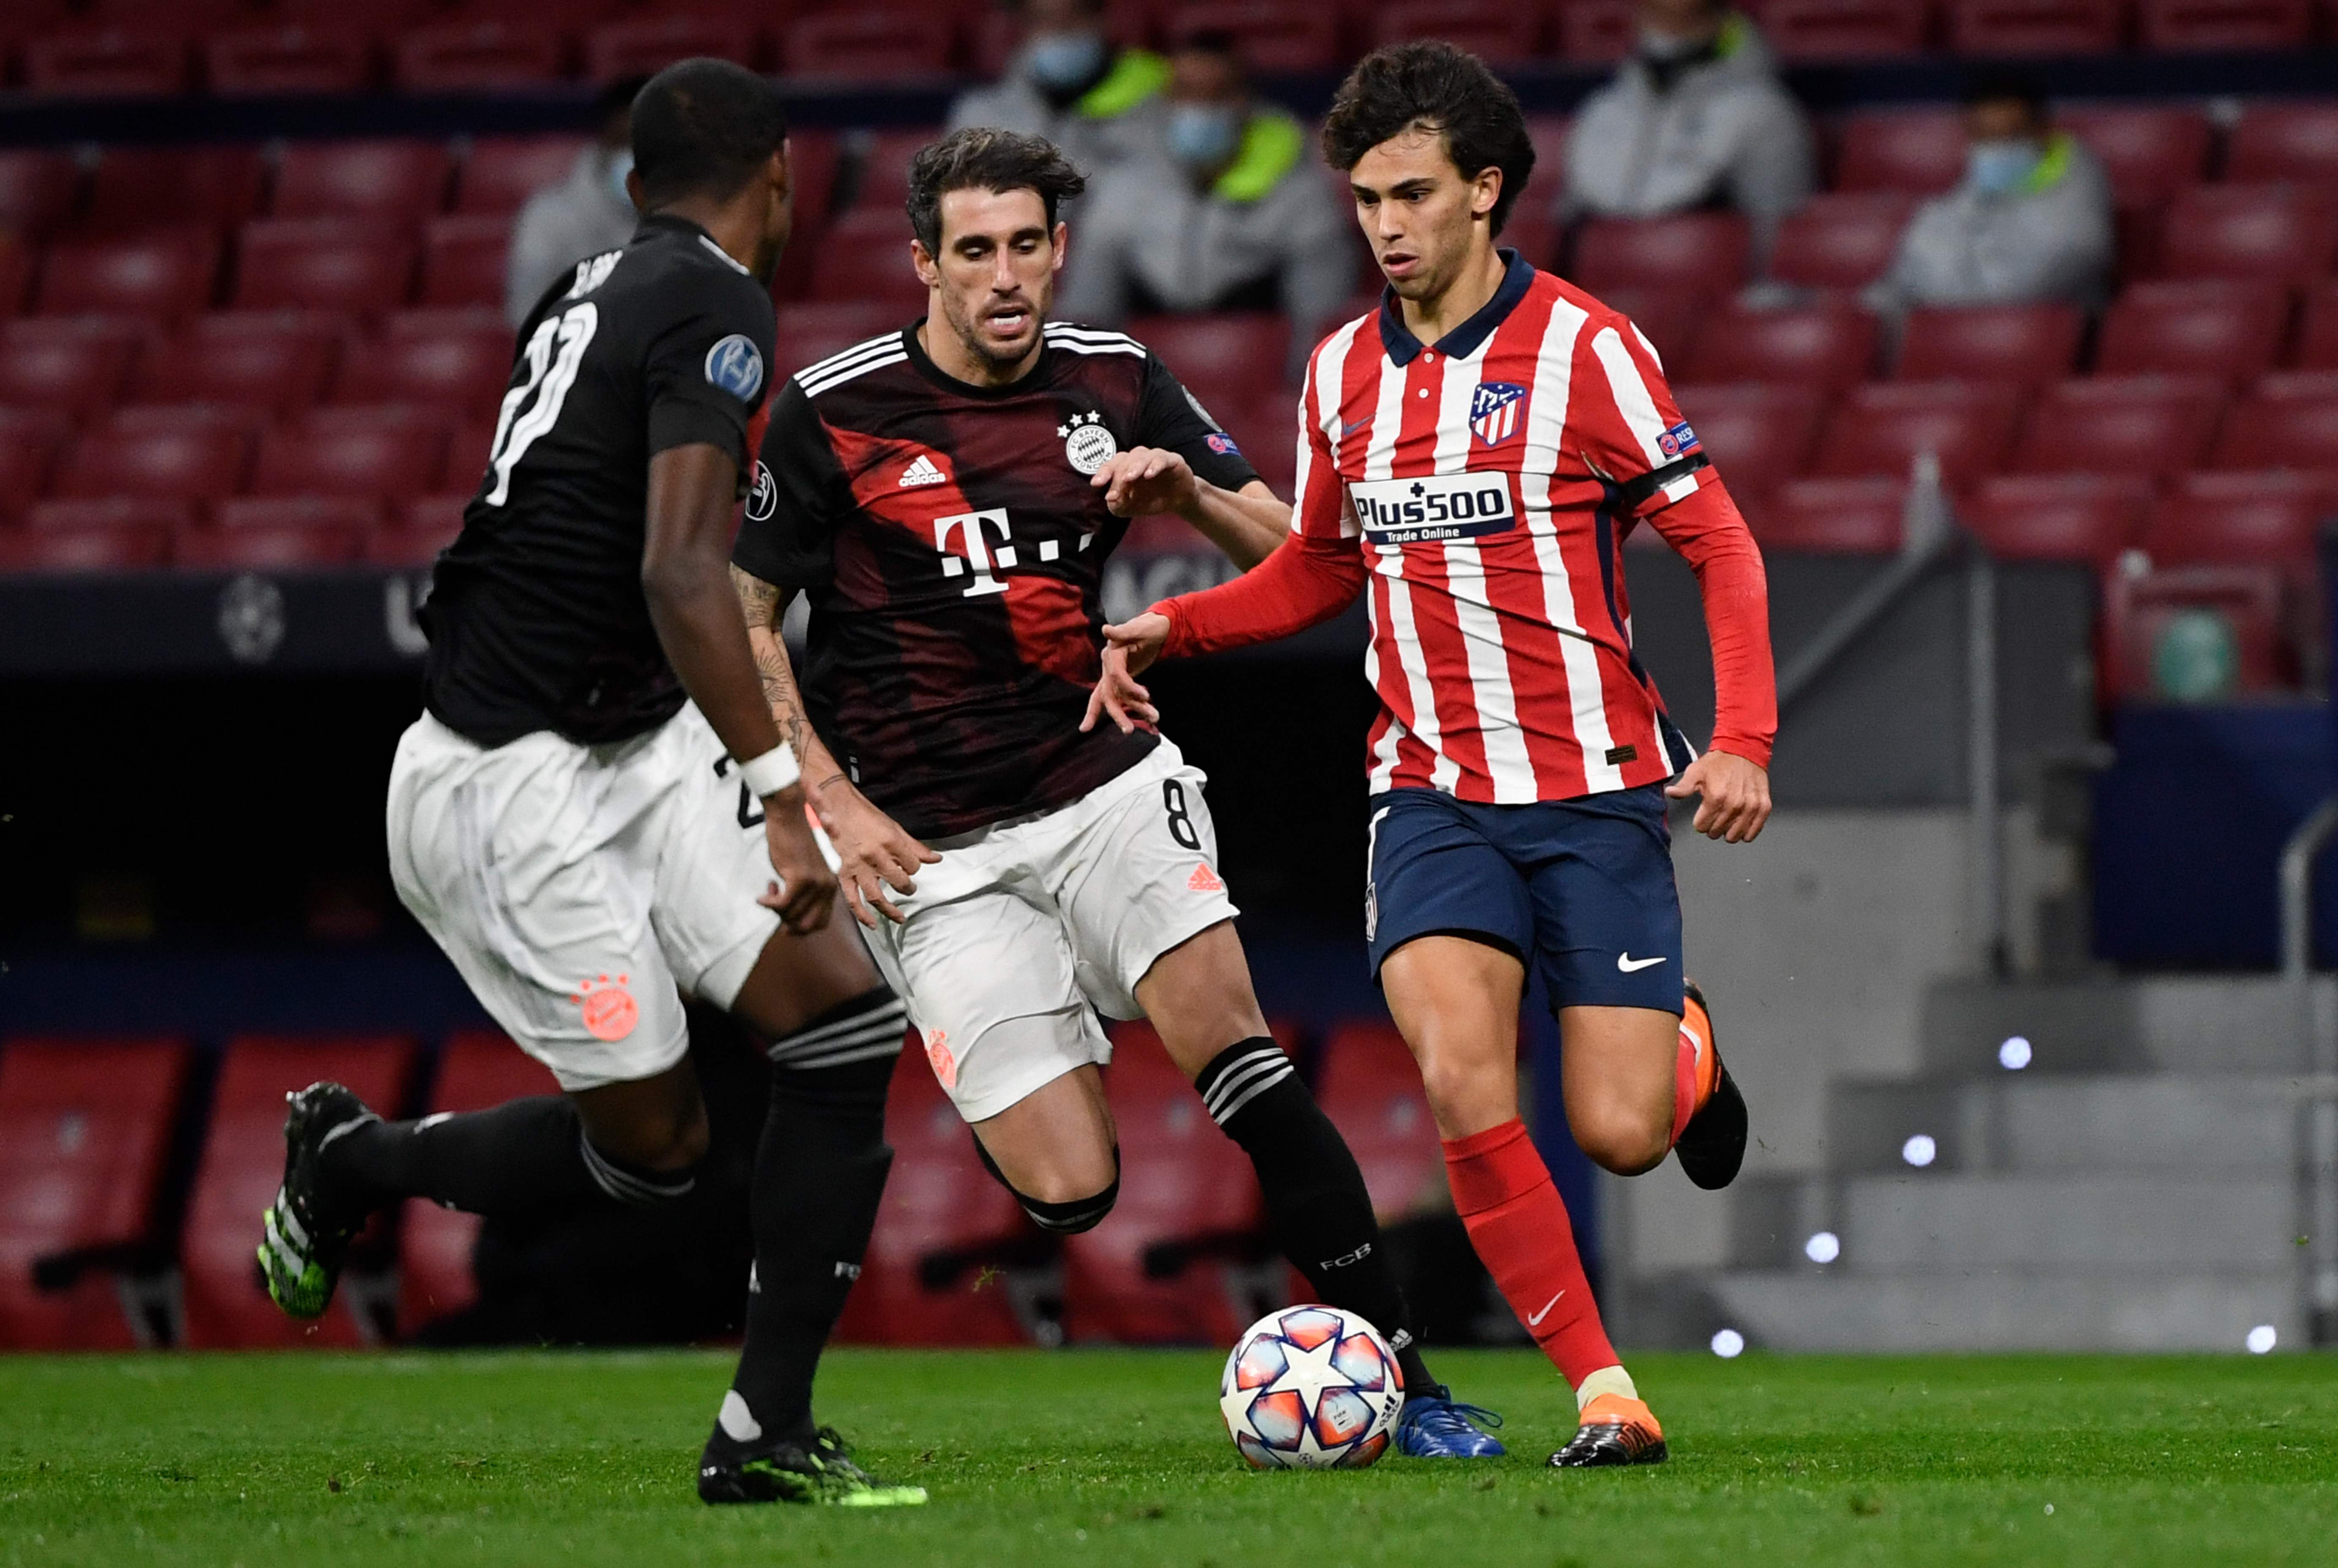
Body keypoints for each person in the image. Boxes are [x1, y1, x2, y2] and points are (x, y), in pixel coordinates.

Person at [731, 125, 1504, 1460]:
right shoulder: (831, 411)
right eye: (972, 251)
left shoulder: (1115, 378)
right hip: (932, 845)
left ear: (1059, 249)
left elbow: (1314, 558)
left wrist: (1190, 494)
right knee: (1071, 1192)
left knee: (1238, 1049)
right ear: (923, 262)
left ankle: (1416, 1382)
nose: (1003, 275)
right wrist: (819, 802)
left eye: (1026, 244)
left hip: (1103, 783)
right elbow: (740, 617)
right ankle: (1028, 1034)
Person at [1093, 43, 1776, 1469]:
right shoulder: (1342, 372)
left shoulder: (1586, 349)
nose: (1384, 226)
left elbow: (1716, 542)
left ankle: (1686, 1056)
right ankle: (1604, 1391)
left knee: (1618, 1131)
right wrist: (1183, 625)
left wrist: (1742, 740)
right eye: (1361, 201)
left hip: (1592, 796)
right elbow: (1316, 572)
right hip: (1427, 796)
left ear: (1481, 192)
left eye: (1410, 194)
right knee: (1464, 1083)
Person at [257, 60, 925, 1509]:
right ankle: (360, 1162)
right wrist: (785, 796)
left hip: (630, 739)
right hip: (514, 783)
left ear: (633, 182)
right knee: (658, 1148)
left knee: (841, 1024)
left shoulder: (592, 280)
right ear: (780, 179)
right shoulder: (716, 299)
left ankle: (765, 1432)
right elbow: (676, 568)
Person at [1056, 30, 1357, 375]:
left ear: (1246, 101)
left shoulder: (1303, 197)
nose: (1199, 109)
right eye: (1186, 93)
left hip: (1261, 388)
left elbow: (1321, 328)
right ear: (1165, 101)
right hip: (1144, 395)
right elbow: (1086, 318)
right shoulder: (1120, 191)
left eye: (1217, 94)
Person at [1558, 0, 1811, 267]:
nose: (1668, 31)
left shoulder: (1765, 113)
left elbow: (1782, 252)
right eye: (1657, 12)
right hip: (1601, 298)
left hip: (1710, 296)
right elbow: (1567, 230)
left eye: (1688, 16)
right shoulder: (1601, 111)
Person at [1864, 69, 2112, 319]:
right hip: (1951, 334)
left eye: (2010, 135)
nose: (1996, 148)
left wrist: (1934, 291)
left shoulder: (2078, 199)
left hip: (2032, 342)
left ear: (2042, 131)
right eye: (1984, 136)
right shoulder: (1966, 191)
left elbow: (2019, 290)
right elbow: (1904, 274)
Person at [948, 0, 1167, 176]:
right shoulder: (978, 117)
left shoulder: (1153, 102)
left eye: (1076, 15)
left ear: (1101, 20)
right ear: (1022, 28)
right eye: (1044, 19)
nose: (1062, 28)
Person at [505, 76, 650, 329]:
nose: (634, 159)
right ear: (603, 140)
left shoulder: (705, 217)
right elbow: (526, 313)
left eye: (646, 147)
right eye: (623, 144)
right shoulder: (548, 218)